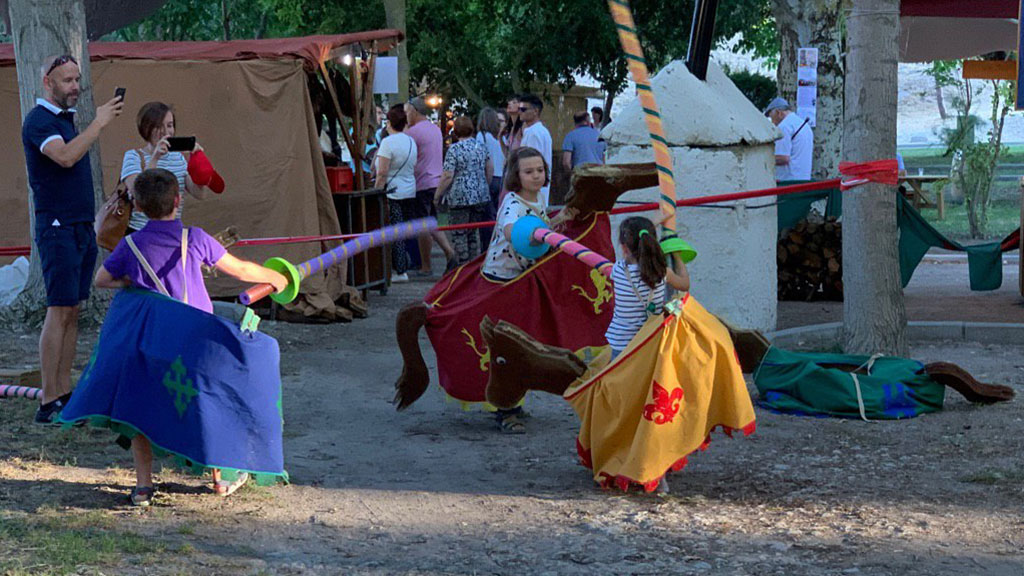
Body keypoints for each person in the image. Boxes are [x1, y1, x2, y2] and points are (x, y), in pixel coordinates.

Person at [94, 168, 288, 506]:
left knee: (139, 408)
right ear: (178, 201)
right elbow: (241, 270)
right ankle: (219, 478)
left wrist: (134, 283)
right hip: (195, 345)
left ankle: (143, 486)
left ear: (137, 206)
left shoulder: (130, 245)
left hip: (152, 345)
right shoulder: (195, 238)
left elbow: (102, 280)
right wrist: (276, 276)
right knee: (209, 404)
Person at [21, 54, 124, 424]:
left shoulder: (67, 121)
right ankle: (48, 400)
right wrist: (98, 123)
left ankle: (64, 392)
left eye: (77, 79)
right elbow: (64, 157)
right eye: (67, 80)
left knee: (74, 310)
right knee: (58, 308)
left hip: (80, 225)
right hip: (57, 227)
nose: (75, 87)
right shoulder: (38, 121)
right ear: (47, 82)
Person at [482, 146, 575, 433]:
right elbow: (513, 228)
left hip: (522, 277)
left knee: (526, 340)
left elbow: (540, 226)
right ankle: (506, 409)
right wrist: (529, 235)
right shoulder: (512, 203)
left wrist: (560, 220)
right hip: (504, 282)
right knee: (511, 347)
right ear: (516, 175)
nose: (536, 176)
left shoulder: (536, 199)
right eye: (528, 171)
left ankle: (513, 403)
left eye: (540, 170)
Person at [121, 102, 215, 232]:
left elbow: (200, 194)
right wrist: (155, 157)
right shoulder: (134, 156)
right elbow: (138, 192)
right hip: (140, 231)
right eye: (159, 127)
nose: (166, 132)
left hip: (172, 230)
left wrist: (198, 163)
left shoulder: (179, 157)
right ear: (146, 128)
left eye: (170, 125)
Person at [605, 216, 689, 361]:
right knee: (684, 303)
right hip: (650, 341)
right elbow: (685, 285)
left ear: (624, 247)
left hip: (621, 345)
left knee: (622, 382)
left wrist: (649, 226)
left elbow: (636, 245)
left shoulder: (618, 269)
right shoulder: (663, 272)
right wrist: (677, 256)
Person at [405, 96, 457, 275]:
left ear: (414, 111)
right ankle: (447, 254)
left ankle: (429, 264)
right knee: (432, 222)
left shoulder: (413, 132)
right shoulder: (434, 129)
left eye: (407, 112)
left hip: (423, 182)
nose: (406, 116)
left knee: (424, 225)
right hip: (436, 180)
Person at [437, 117, 493, 266]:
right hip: (480, 194)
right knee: (472, 233)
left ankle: (462, 266)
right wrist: (483, 185)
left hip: (459, 196)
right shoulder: (481, 147)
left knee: (459, 233)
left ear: (455, 131)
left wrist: (438, 195)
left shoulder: (454, 149)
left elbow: (448, 175)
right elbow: (490, 169)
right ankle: (473, 265)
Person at [376, 104, 418, 283]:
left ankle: (400, 270)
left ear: (390, 122)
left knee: (395, 232)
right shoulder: (410, 141)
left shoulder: (387, 143)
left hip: (392, 192)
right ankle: (405, 264)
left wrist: (377, 188)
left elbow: (382, 172)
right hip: (409, 189)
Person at [764, 97, 813, 181]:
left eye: (772, 118)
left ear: (779, 113)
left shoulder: (784, 127)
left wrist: (763, 159)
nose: (772, 123)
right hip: (804, 179)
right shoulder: (804, 125)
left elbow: (783, 158)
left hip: (788, 181)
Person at [517, 94, 553, 206]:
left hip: (532, 191)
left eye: (523, 109)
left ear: (536, 111)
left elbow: (531, 163)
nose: (520, 112)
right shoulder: (540, 130)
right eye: (519, 109)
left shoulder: (534, 133)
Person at [476, 107, 504, 248]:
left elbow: (484, 161)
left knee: (486, 218)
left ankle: (486, 247)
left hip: (489, 178)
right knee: (495, 215)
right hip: (500, 179)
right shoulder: (500, 138)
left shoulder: (482, 136)